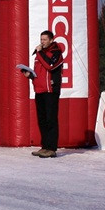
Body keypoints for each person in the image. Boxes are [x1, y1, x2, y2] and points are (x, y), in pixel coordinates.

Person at [23, 30, 64, 158]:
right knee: (42, 120)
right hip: (39, 90)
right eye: (41, 39)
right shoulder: (40, 54)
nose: (42, 42)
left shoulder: (56, 52)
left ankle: (51, 148)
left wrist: (40, 52)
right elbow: (40, 73)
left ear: (51, 40)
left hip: (50, 90)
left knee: (51, 119)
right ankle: (45, 146)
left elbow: (49, 66)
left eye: (45, 40)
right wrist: (30, 75)